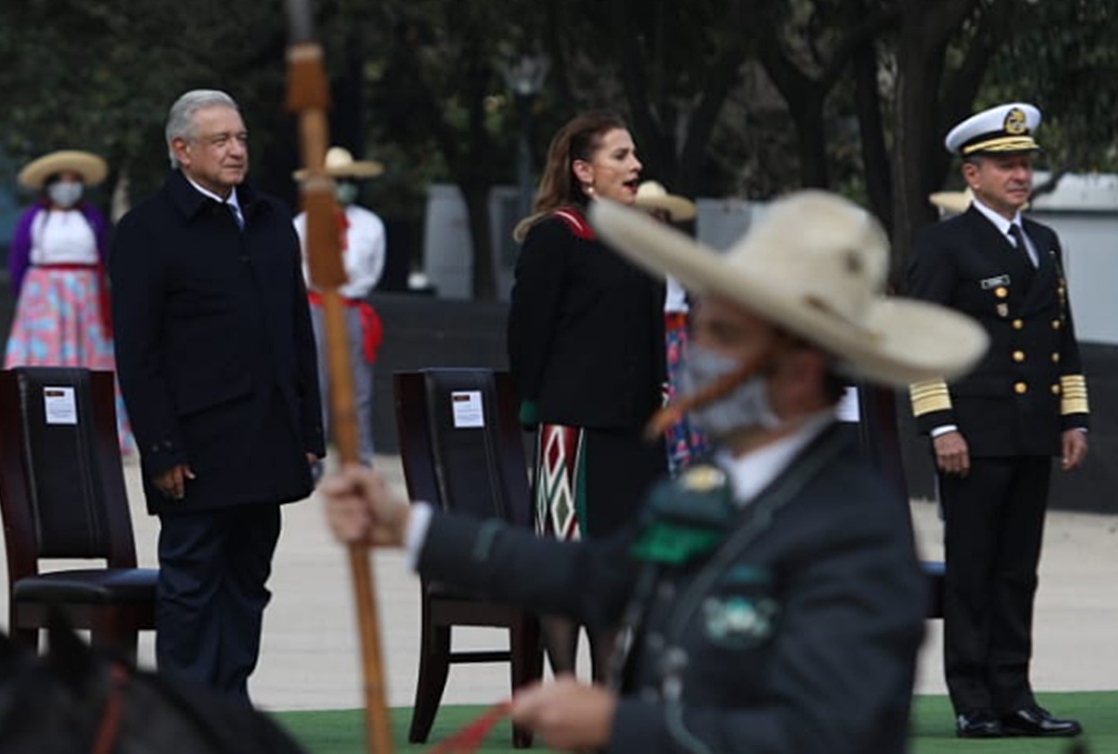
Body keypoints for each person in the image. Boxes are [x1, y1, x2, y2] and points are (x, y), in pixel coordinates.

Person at [323, 191, 988, 753]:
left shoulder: (852, 526)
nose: (696, 357)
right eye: (700, 330)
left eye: (724, 337)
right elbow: (594, 574)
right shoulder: (709, 485)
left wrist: (617, 722)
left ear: (797, 369)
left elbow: (827, 732)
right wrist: (409, 527)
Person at [109, 89, 324, 705]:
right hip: (195, 446)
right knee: (191, 582)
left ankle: (228, 707)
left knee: (249, 580)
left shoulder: (269, 219)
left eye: (241, 138)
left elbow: (294, 333)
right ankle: (185, 714)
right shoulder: (148, 231)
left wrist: (309, 434)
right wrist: (160, 447)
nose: (236, 151)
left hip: (268, 437)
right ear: (181, 151)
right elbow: (138, 353)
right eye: (220, 141)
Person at [907, 102, 1089, 739]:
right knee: (973, 568)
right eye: (1006, 165)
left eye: (1026, 164)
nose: (1020, 175)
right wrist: (940, 426)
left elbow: (1059, 339)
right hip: (974, 434)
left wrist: (1074, 417)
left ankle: (1015, 693)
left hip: (1032, 430)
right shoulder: (943, 245)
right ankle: (973, 699)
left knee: (1018, 569)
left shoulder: (1044, 242)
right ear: (972, 173)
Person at [507, 111, 666, 680]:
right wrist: (536, 403)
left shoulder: (645, 237)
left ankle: (613, 694)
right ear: (584, 171)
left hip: (638, 432)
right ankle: (570, 692)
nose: (636, 165)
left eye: (634, 154)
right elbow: (527, 332)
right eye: (620, 155)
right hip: (573, 429)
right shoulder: (558, 235)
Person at [4, 149, 135, 453]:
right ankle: (36, 433)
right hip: (45, 302)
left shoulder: (90, 219)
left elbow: (104, 256)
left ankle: (100, 433)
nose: (68, 186)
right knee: (46, 363)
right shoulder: (34, 219)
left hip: (85, 300)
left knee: (91, 364)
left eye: (74, 180)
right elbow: (18, 262)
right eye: (62, 180)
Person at [292, 147, 386, 465]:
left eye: (347, 179)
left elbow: (371, 271)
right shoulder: (303, 223)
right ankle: (310, 458)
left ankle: (359, 459)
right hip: (315, 306)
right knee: (312, 384)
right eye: (337, 180)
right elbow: (298, 268)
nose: (343, 185)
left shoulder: (370, 225)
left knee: (358, 389)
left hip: (350, 307)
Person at [633, 180, 710, 476]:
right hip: (652, 334)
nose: (654, 219)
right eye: (647, 213)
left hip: (679, 334)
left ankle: (686, 460)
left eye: (659, 214)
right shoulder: (630, 255)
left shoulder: (676, 252)